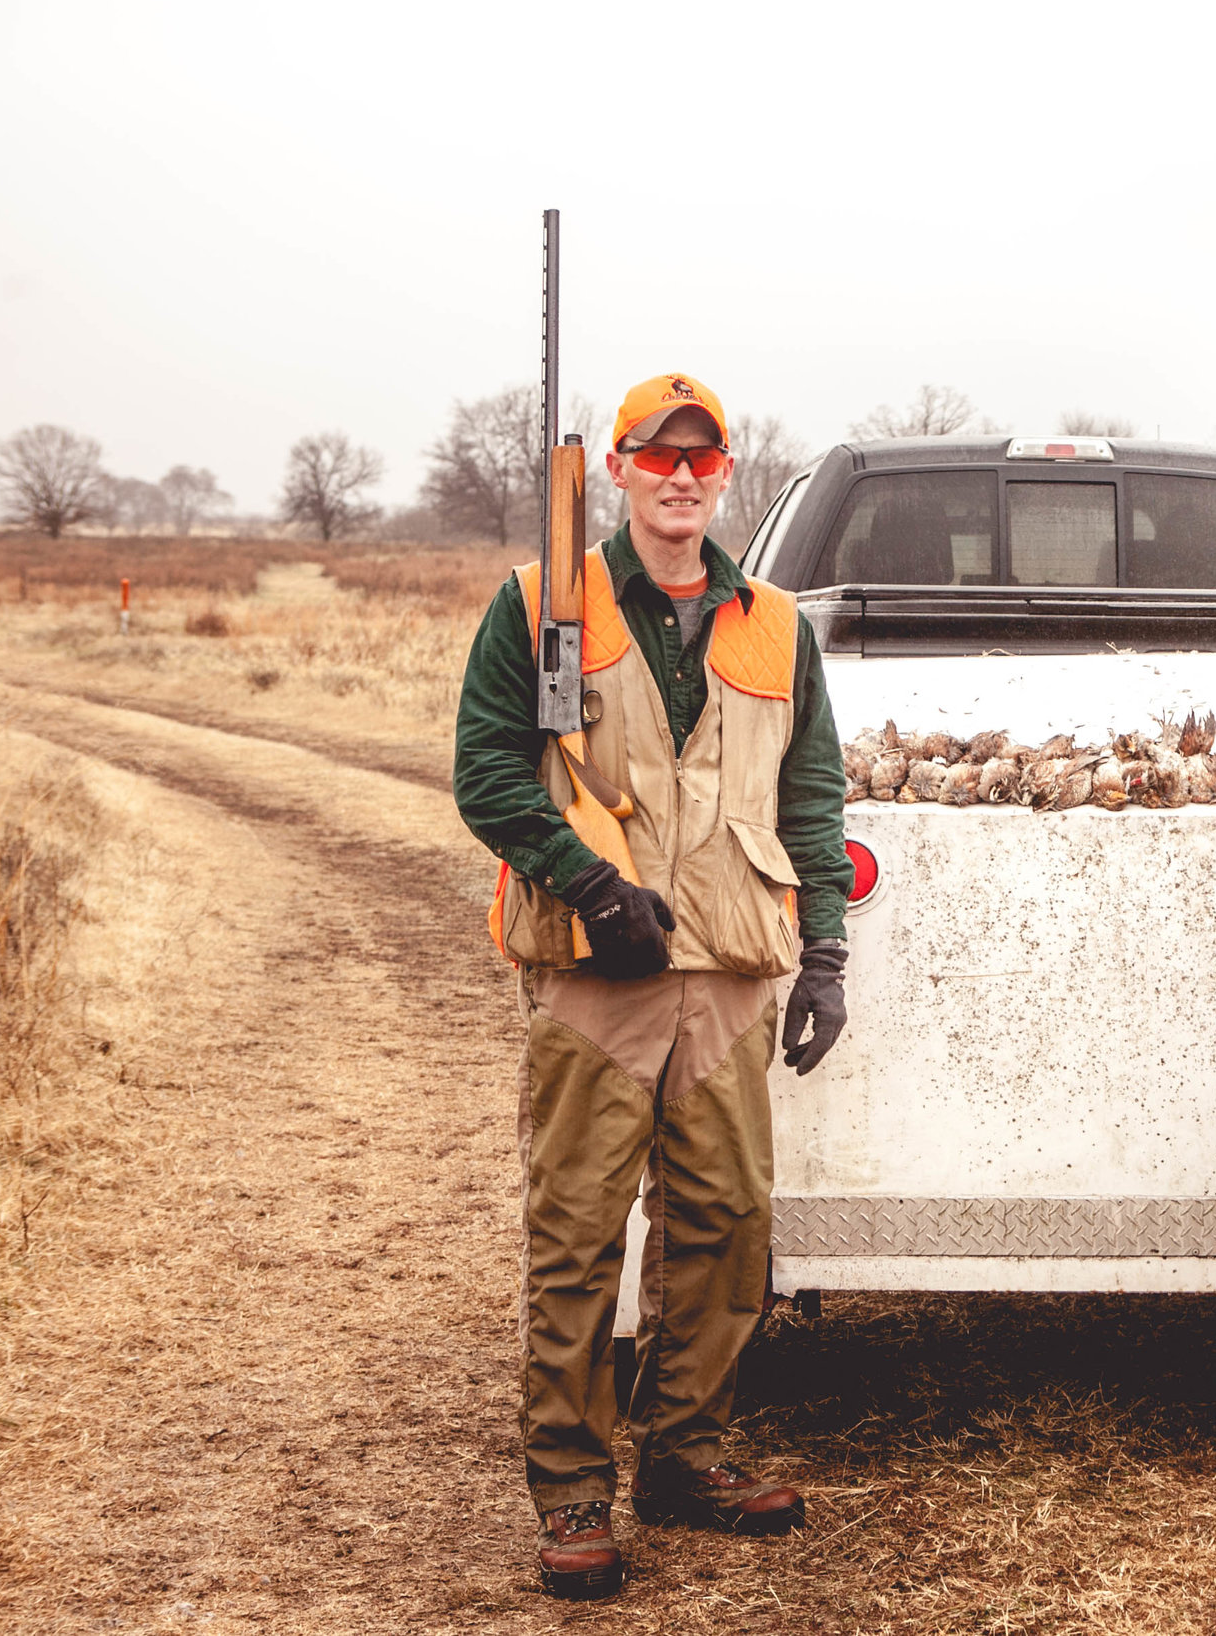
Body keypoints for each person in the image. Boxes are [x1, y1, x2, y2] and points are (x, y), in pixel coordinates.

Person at [453, 372, 854, 1599]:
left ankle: (687, 1455)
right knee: (578, 1232)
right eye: (655, 455)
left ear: (725, 472)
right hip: (597, 972)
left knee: (728, 1224)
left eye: (702, 457)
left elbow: (813, 797)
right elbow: (486, 771)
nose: (680, 477)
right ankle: (574, 1491)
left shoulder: (775, 622)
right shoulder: (543, 601)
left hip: (729, 968)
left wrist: (826, 951)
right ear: (618, 469)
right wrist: (587, 881)